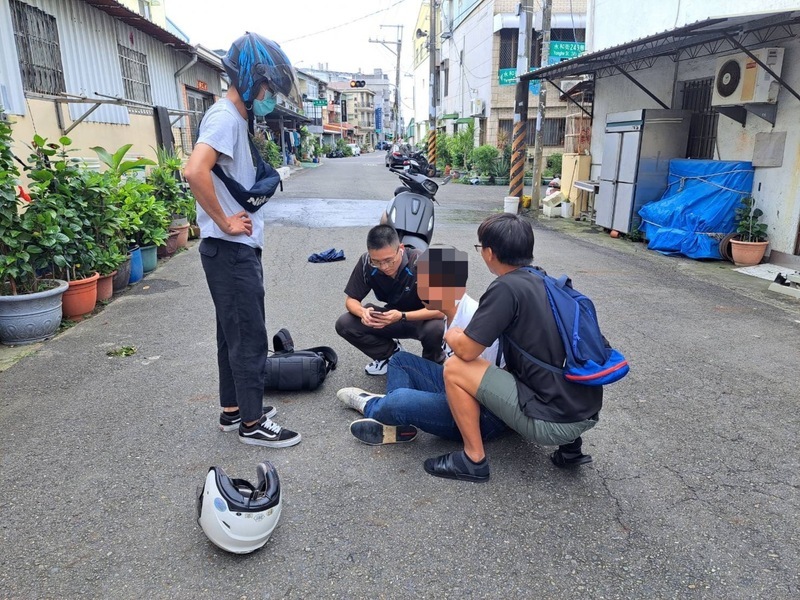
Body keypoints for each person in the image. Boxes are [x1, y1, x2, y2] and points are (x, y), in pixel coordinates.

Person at [184, 32, 301, 448]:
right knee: (249, 335)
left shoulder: (234, 118)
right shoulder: (224, 118)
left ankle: (234, 410)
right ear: (252, 80)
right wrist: (225, 222)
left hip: (229, 251)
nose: (270, 96)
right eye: (268, 87)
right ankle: (252, 424)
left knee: (230, 334)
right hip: (231, 251)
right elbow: (194, 170)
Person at [424, 213, 602, 482]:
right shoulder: (546, 281)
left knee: (455, 367)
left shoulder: (505, 288)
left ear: (490, 253)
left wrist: (453, 334)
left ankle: (473, 459)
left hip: (552, 421)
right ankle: (570, 449)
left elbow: (468, 351)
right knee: (544, 356)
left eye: (480, 247)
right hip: (586, 411)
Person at [337, 245, 509, 444]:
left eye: (424, 285)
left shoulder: (472, 323)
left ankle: (372, 405)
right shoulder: (457, 309)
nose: (419, 290)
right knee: (400, 361)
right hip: (459, 389)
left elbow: (489, 390)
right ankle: (395, 416)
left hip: (481, 415)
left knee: (400, 400)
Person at [335, 224, 446, 376]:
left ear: (401, 248)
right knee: (345, 323)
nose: (384, 267)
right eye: (377, 261)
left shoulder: (421, 262)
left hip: (424, 318)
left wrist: (402, 316)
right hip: (391, 316)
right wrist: (362, 312)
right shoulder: (366, 262)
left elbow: (441, 310)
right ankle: (391, 355)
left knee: (436, 328)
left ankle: (432, 365)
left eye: (389, 260)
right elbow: (351, 300)